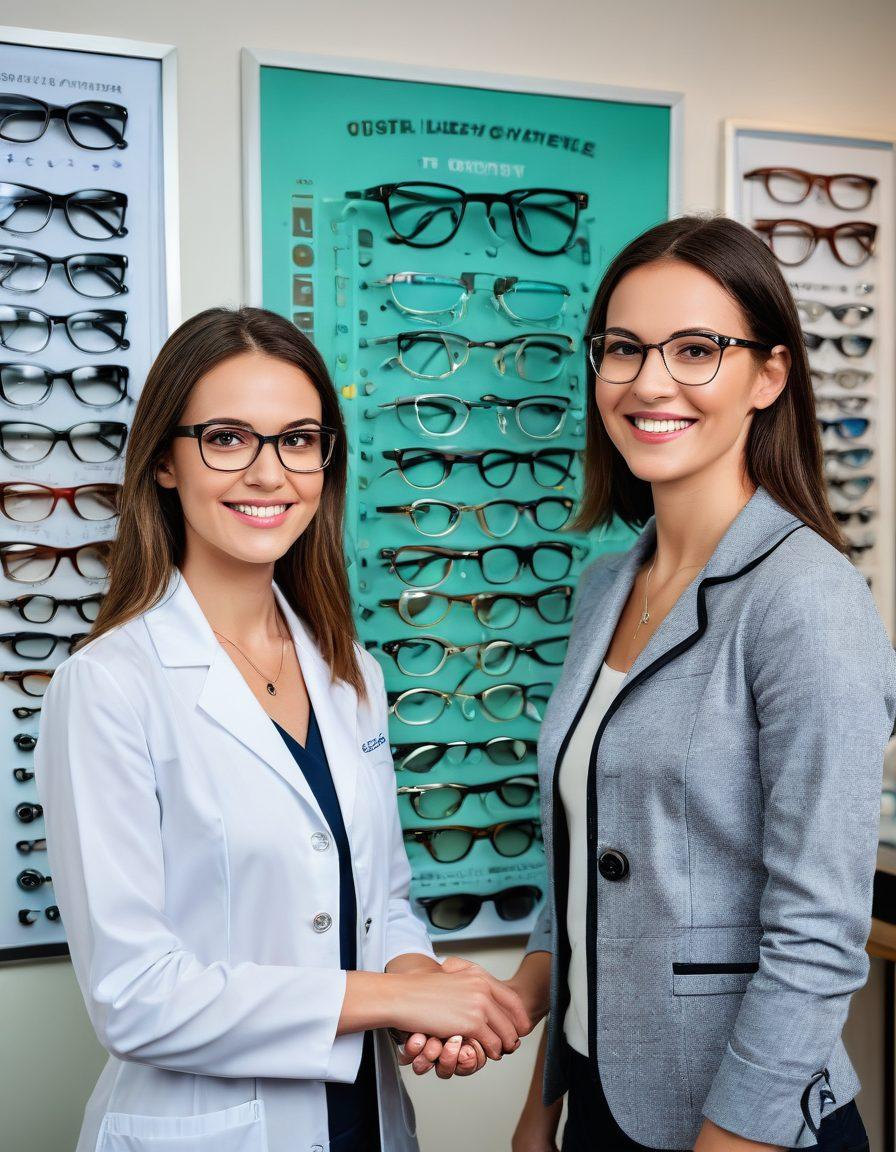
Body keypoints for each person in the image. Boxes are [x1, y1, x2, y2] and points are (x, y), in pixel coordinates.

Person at [35, 306, 529, 1152]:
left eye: (298, 440)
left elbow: (387, 901)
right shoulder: (109, 686)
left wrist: (413, 969)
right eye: (228, 439)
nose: (270, 474)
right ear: (163, 462)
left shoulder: (350, 673)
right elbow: (135, 995)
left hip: (365, 1125)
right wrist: (392, 998)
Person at [505, 215, 896, 1152]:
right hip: (600, 1106)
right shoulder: (606, 587)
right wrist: (539, 1109)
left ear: (769, 374)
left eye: (696, 350)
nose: (650, 382)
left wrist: (732, 1142)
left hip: (743, 1129)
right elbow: (585, 871)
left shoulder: (808, 601)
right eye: (624, 349)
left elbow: (817, 934)